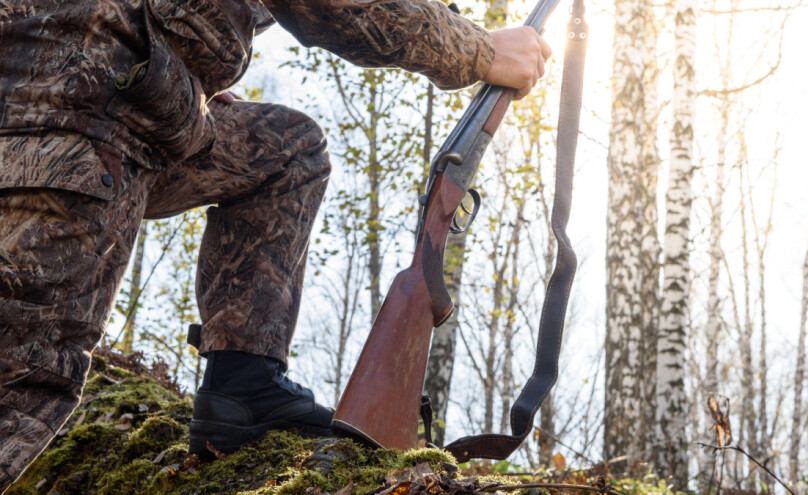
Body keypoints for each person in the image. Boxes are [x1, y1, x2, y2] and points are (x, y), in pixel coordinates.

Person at [0, 0, 551, 489]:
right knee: (26, 379)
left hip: (115, 107)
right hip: (71, 121)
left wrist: (191, 89)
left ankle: (242, 388)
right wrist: (480, 49)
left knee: (289, 149)